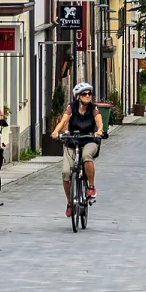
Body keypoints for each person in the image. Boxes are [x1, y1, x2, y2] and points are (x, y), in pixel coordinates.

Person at [51, 81, 102, 217]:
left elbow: (99, 122)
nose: (88, 96)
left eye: (89, 94)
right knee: (65, 173)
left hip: (89, 140)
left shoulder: (94, 108)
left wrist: (99, 131)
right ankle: (70, 202)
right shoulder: (71, 107)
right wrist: (56, 132)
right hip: (73, 142)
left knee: (86, 156)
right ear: (78, 96)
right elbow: (63, 121)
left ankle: (91, 187)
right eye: (84, 94)